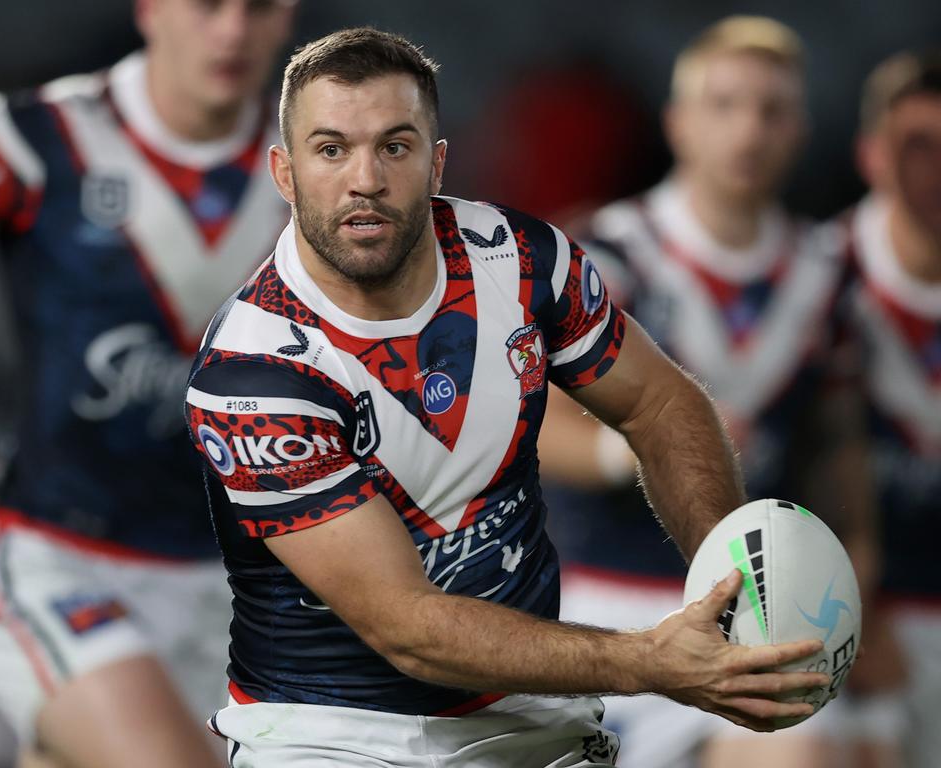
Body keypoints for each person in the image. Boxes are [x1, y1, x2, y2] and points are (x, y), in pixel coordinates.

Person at [185, 27, 831, 767]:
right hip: (329, 733)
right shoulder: (252, 373)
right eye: (331, 149)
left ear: (437, 163)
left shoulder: (525, 262)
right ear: (285, 172)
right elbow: (409, 627)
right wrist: (652, 660)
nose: (365, 178)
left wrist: (735, 589)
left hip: (527, 725)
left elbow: (661, 404)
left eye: (395, 146)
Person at [0, 0, 295, 766]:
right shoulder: (32, 137)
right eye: (208, 5)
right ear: (150, 6)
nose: (232, 31)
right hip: (56, 554)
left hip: (245, 587)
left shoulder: (328, 163)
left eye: (257, 6)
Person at [537, 17, 880, 768]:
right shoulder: (602, 253)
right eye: (724, 104)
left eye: (771, 109)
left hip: (764, 607)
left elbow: (839, 448)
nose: (748, 129)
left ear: (799, 128)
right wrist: (636, 450)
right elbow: (532, 422)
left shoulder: (827, 274)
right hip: (605, 597)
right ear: (679, 122)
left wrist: (864, 593)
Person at [833, 49, 941, 768]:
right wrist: (850, 609)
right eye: (918, 147)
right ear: (871, 154)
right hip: (853, 617)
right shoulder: (816, 283)